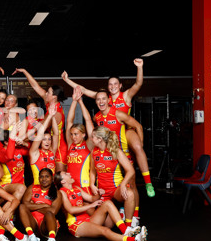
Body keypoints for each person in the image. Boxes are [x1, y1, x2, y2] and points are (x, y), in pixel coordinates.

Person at [61, 59, 155, 197]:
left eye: (115, 83)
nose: (113, 86)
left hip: (125, 131)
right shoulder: (104, 99)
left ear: (120, 85)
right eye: (110, 84)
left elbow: (138, 83)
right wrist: (67, 80)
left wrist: (140, 67)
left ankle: (148, 182)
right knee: (120, 178)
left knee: (137, 148)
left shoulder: (126, 96)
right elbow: (84, 90)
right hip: (111, 141)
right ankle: (118, 204)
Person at [56, 171, 148, 241]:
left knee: (107, 203)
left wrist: (99, 194)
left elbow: (92, 199)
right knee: (105, 231)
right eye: (65, 174)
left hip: (88, 219)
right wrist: (91, 205)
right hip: (76, 225)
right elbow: (71, 210)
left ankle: (126, 230)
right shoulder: (61, 192)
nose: (69, 173)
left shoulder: (77, 189)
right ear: (63, 181)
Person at [12, 68, 67, 172]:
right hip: (47, 142)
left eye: (49, 92)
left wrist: (22, 137)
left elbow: (39, 126)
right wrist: (24, 71)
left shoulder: (56, 113)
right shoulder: (48, 102)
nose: (46, 93)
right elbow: (35, 86)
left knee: (58, 178)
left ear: (54, 97)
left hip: (58, 147)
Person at [90, 125, 139, 228]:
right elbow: (93, 171)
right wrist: (92, 184)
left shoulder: (116, 151)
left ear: (100, 139)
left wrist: (123, 185)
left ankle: (129, 226)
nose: (91, 139)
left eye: (93, 137)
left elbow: (131, 171)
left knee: (130, 194)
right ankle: (120, 214)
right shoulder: (94, 152)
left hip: (116, 189)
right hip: (103, 191)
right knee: (106, 225)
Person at [18, 168, 62, 241]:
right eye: (41, 177)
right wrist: (44, 205)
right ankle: (31, 237)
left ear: (52, 178)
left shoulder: (57, 193)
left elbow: (53, 211)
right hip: (33, 221)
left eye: (47, 177)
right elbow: (25, 204)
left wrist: (33, 205)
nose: (44, 179)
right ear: (38, 178)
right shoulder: (32, 188)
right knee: (22, 207)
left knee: (49, 213)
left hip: (46, 224)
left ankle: (52, 240)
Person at [65, 86, 94, 195]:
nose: (73, 137)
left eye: (76, 134)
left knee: (89, 211)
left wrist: (80, 102)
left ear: (84, 134)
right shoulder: (70, 144)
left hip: (84, 186)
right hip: (70, 186)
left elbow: (88, 120)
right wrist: (73, 101)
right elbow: (69, 121)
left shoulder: (88, 145)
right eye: (71, 134)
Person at [28, 103, 59, 185]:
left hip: (52, 189)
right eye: (44, 139)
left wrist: (53, 116)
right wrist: (49, 116)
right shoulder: (34, 153)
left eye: (49, 139)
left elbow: (56, 134)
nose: (47, 142)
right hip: (38, 189)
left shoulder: (52, 151)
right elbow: (40, 132)